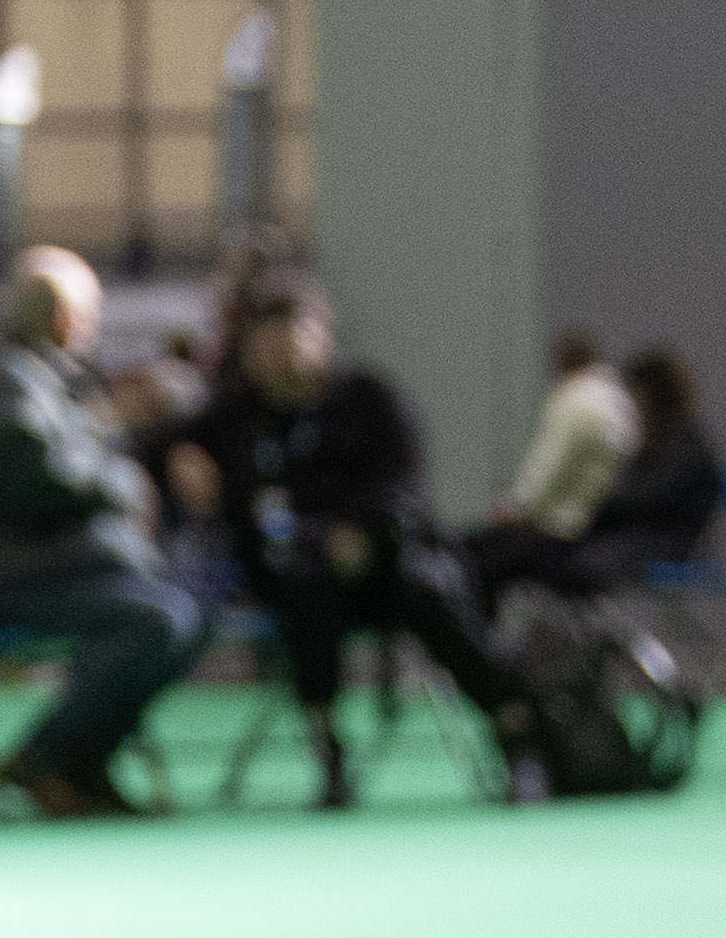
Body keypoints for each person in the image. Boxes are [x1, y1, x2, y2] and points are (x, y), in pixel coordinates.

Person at [198, 276, 527, 806]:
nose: (281, 353)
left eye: (294, 337)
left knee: (432, 592)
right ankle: (327, 748)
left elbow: (405, 488)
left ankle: (515, 732)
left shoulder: (372, 398)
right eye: (268, 340)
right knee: (307, 588)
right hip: (295, 575)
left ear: (324, 339)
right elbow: (161, 443)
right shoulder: (232, 417)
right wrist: (177, 462)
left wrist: (363, 538)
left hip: (384, 564)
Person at [0, 246, 202, 822]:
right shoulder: (10, 383)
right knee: (159, 620)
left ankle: (79, 761)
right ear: (64, 319)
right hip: (11, 577)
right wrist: (122, 484)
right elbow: (42, 484)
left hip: (44, 568)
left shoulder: (31, 378)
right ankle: (51, 758)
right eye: (92, 317)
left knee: (187, 610)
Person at [466, 330, 638, 613]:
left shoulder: (572, 402)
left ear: (560, 362)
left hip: (559, 535)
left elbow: (547, 470)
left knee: (476, 560)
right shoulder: (619, 401)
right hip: (600, 530)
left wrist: (514, 509)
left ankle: (479, 648)